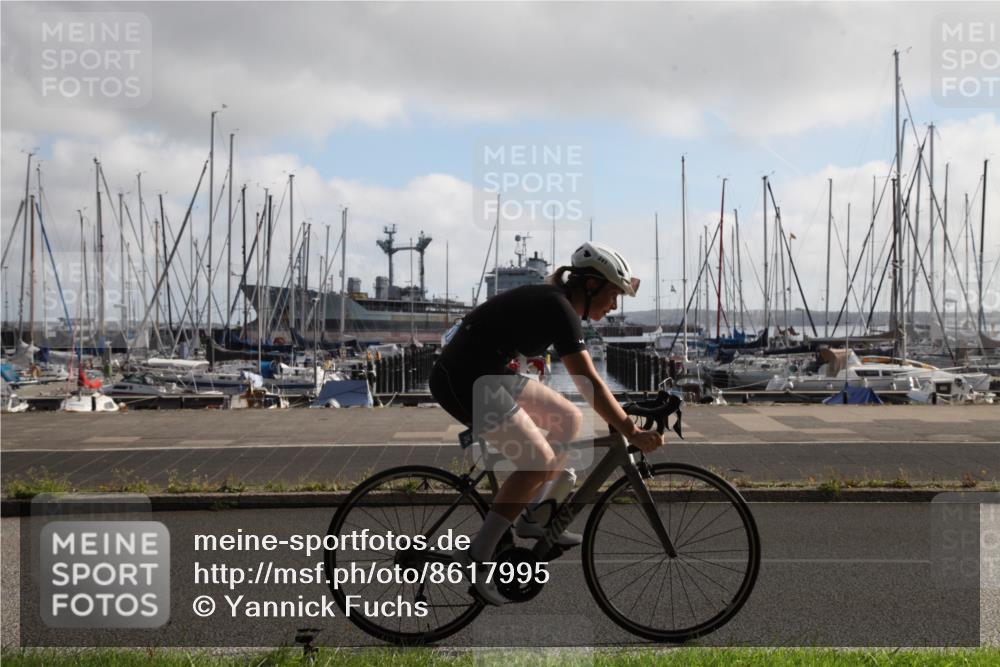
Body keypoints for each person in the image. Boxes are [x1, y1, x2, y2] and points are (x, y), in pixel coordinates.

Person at [428, 242, 663, 605]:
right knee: (535, 460)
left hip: (488, 371)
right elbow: (587, 378)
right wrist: (629, 429)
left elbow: (587, 388)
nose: (614, 305)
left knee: (569, 419)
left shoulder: (559, 302)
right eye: (613, 294)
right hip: (461, 379)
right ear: (590, 286)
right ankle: (476, 557)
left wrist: (617, 414)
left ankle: (534, 516)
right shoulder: (559, 307)